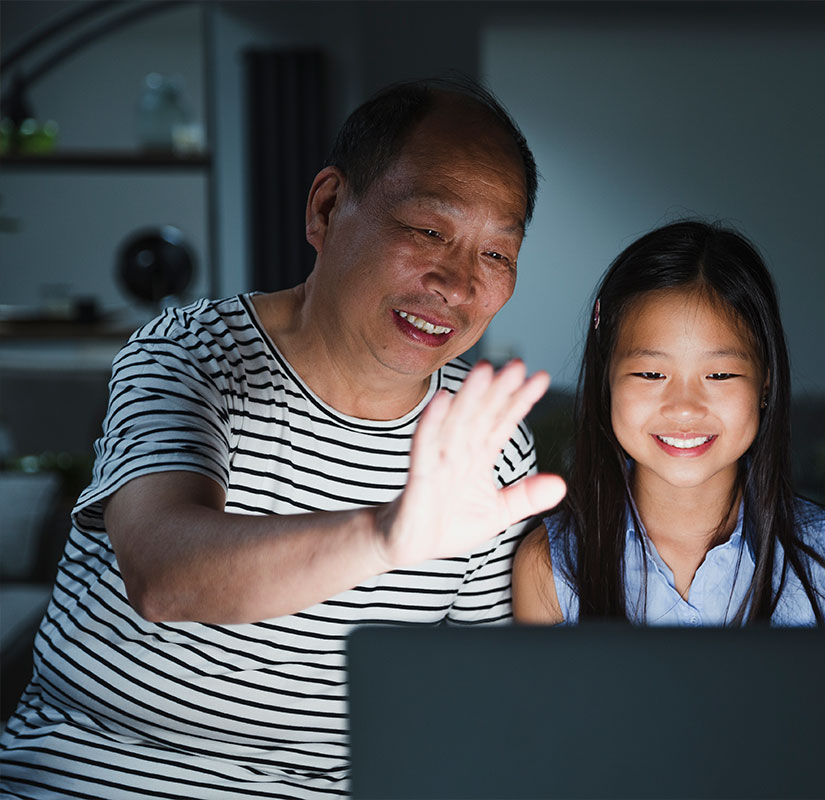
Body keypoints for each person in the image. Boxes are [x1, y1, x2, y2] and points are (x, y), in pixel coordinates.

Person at [0, 79, 566, 799]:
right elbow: (163, 573)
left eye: (496, 255)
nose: (456, 284)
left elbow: (476, 701)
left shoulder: (485, 438)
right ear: (327, 207)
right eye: (429, 231)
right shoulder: (188, 352)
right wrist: (386, 534)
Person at [513, 221, 825, 626]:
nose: (684, 406)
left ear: (765, 383)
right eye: (651, 373)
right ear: (606, 380)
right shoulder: (548, 567)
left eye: (719, 374)